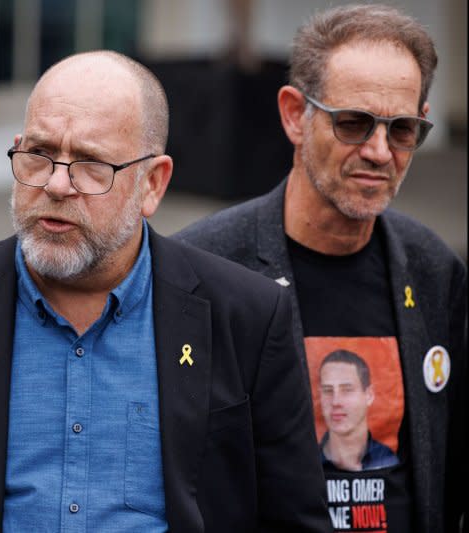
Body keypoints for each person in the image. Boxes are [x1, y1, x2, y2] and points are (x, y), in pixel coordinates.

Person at [0, 50, 330, 532]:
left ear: (153, 183)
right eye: (39, 154)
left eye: (91, 164)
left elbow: (293, 520)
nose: (57, 185)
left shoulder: (246, 316)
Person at [174, 4, 466, 532]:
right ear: (294, 115)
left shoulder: (434, 270)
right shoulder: (200, 269)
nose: (380, 151)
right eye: (354, 123)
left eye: (402, 130)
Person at [318, 349, 398, 471]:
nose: (335, 402)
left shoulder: (390, 462)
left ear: (369, 395)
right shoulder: (307, 462)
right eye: (328, 390)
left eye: (347, 390)